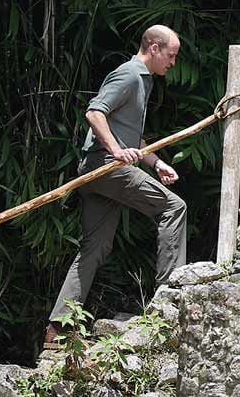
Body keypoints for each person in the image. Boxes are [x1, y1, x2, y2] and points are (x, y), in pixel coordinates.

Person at [44, 24, 186, 347]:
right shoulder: (129, 76)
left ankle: (57, 330)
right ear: (153, 47)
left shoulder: (144, 81)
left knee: (94, 249)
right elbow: (95, 113)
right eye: (171, 55)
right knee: (174, 207)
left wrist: (155, 162)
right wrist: (115, 150)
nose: (173, 63)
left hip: (102, 170)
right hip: (105, 167)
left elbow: (131, 136)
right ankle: (168, 299)